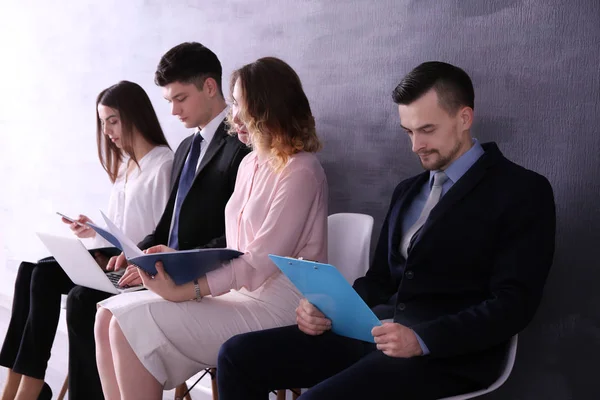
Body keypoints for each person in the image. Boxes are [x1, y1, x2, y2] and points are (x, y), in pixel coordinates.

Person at [216, 61, 557, 400]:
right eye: (408, 132)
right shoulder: (408, 191)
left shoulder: (521, 190)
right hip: (377, 334)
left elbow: (514, 304)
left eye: (427, 130)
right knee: (237, 356)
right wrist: (327, 308)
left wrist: (422, 340)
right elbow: (379, 280)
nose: (415, 146)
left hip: (449, 354)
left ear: (464, 118)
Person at [93, 56, 328, 400]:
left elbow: (259, 263)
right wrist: (181, 262)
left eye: (242, 105)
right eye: (234, 103)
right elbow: (234, 250)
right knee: (107, 318)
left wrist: (185, 291)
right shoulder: (250, 163)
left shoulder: (301, 170)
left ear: (269, 109)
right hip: (240, 295)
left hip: (281, 307)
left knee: (130, 325)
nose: (234, 116)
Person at [64, 42, 250, 400]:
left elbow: (237, 236)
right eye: (169, 101)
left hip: (201, 275)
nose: (174, 110)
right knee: (92, 301)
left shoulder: (240, 147)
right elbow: (166, 226)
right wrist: (134, 254)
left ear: (210, 87)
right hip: (166, 267)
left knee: (90, 303)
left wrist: (168, 261)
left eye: (180, 98)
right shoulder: (185, 148)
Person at [0, 80, 174, 400]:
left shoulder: (163, 164)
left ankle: (29, 389)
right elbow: (122, 227)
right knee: (29, 270)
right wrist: (93, 230)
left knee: (44, 278)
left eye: (113, 120)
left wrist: (109, 246)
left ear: (134, 116)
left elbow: (158, 235)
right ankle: (15, 384)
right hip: (111, 258)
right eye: (102, 122)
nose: (107, 130)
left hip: (133, 270)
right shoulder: (126, 165)